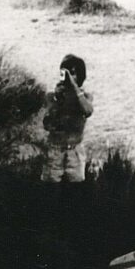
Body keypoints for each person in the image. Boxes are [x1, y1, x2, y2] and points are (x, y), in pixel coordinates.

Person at [41, 54, 95, 183]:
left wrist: (74, 88)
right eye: (66, 73)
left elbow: (88, 111)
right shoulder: (52, 96)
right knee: (51, 191)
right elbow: (47, 124)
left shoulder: (85, 97)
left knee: (74, 193)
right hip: (55, 150)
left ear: (80, 76)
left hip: (75, 152)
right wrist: (57, 100)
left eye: (73, 73)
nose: (69, 77)